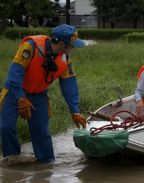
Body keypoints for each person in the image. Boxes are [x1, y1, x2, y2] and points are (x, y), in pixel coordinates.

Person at [0, 24, 87, 163]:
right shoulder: (30, 47)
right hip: (15, 91)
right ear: (60, 44)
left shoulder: (65, 59)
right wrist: (20, 98)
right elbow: (14, 75)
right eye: (71, 45)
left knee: (41, 131)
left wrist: (75, 111)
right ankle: (12, 160)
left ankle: (46, 166)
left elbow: (69, 85)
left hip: (39, 95)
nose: (74, 48)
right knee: (6, 127)